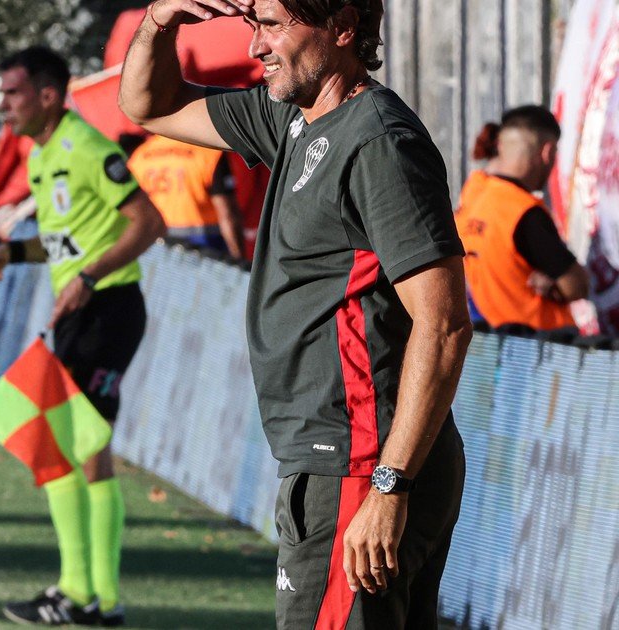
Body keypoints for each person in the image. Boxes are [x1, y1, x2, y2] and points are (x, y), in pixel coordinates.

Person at [119, 1, 473, 628]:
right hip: (346, 460)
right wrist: (160, 19)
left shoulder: (379, 142)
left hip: (361, 463)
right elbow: (148, 104)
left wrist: (388, 486)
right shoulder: (291, 118)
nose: (256, 45)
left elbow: (443, 326)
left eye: (274, 25)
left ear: (342, 26)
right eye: (253, 24)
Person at [0, 46, 165, 627]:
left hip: (108, 311)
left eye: (14, 93)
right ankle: (86, 594)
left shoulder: (86, 147)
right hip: (81, 314)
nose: (6, 105)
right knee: (70, 445)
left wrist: (90, 276)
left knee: (76, 445)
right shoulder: (39, 156)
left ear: (47, 94)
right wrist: (14, 252)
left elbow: (149, 222)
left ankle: (90, 595)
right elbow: (71, 239)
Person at [456, 106, 588, 332]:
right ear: (547, 152)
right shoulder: (523, 212)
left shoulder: (472, 193)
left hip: (496, 341)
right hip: (544, 348)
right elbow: (577, 285)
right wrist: (556, 282)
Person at [128, 133, 245, 259]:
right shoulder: (208, 152)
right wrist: (239, 260)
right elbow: (227, 214)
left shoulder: (140, 155)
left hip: (158, 246)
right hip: (206, 246)